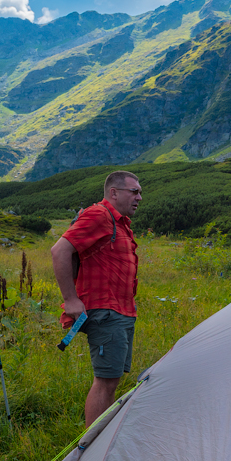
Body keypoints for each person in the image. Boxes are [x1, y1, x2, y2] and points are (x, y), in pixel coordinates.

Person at [51, 170, 142, 429]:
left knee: (112, 379)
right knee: (105, 381)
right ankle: (90, 451)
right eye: (134, 191)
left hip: (122, 312)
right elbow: (59, 251)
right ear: (114, 193)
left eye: (140, 192)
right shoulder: (99, 215)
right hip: (105, 311)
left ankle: (99, 441)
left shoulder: (120, 222)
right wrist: (70, 299)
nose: (139, 197)